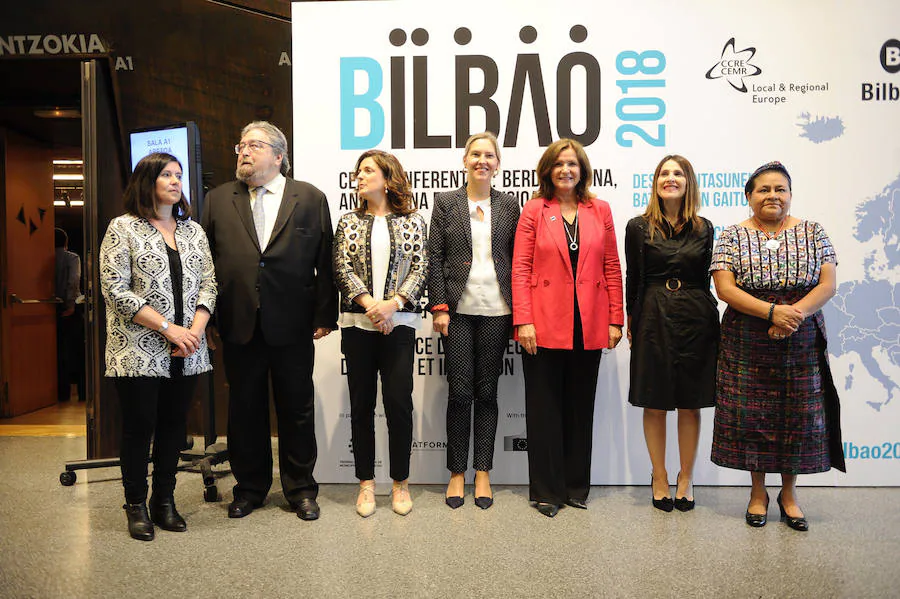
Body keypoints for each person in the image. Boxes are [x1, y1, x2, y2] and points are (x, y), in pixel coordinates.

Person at [201, 121, 337, 522]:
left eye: (255, 146)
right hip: (238, 321)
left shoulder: (309, 198)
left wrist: (324, 314)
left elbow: (324, 262)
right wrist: (205, 318)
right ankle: (250, 489)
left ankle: (300, 490)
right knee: (245, 410)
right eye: (240, 145)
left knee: (297, 408)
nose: (244, 152)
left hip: (294, 323)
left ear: (279, 155)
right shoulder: (218, 199)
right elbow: (205, 265)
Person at [710, 161, 845, 531]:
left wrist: (793, 315)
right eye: (764, 190)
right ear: (749, 197)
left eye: (780, 189)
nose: (773, 196)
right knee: (752, 416)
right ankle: (757, 493)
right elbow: (725, 288)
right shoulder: (731, 236)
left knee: (795, 417)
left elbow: (828, 283)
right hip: (747, 335)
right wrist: (772, 313)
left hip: (800, 335)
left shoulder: (813, 231)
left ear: (789, 194)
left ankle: (788, 493)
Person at [98, 152, 217, 541]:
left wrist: (194, 332)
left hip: (188, 347)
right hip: (137, 348)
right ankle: (135, 505)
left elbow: (208, 284)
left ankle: (164, 502)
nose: (174, 181)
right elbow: (114, 290)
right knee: (139, 427)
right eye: (166, 174)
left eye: (178, 175)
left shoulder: (193, 231)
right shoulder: (123, 228)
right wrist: (170, 329)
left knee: (174, 426)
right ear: (146, 182)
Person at [511, 138, 624, 518]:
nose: (566, 170)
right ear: (548, 170)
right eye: (559, 164)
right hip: (542, 324)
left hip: (588, 322)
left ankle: (576, 486)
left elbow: (611, 267)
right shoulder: (534, 210)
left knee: (579, 409)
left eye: (572, 164)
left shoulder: (600, 210)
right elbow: (521, 269)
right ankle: (546, 490)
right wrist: (523, 319)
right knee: (544, 410)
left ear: (582, 170)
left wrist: (615, 318)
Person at [427, 132, 519, 510]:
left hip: (498, 309)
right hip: (459, 311)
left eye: (489, 155)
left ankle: (483, 470)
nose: (482, 160)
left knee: (487, 392)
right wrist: (439, 307)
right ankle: (456, 472)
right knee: (460, 392)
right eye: (476, 154)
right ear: (465, 160)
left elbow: (518, 258)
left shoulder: (510, 205)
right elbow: (434, 257)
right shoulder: (446, 203)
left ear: (497, 164)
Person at [333, 150, 427, 517]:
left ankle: (401, 484)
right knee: (360, 406)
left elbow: (421, 266)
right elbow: (340, 266)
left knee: (399, 405)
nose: (359, 177)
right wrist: (372, 305)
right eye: (358, 172)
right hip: (358, 327)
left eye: (367, 171)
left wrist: (393, 305)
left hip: (399, 326)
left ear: (387, 179)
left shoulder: (414, 221)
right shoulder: (347, 222)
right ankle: (366, 485)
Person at [624, 155, 718, 512]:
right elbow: (635, 277)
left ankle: (686, 476)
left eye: (678, 173)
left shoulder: (705, 227)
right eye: (664, 173)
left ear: (688, 181)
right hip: (653, 313)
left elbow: (709, 277)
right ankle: (659, 475)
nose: (670, 178)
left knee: (691, 403)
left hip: (697, 315)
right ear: (656, 183)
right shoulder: (638, 226)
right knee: (655, 400)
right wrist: (632, 319)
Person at [54, 227, 84, 402]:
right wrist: (71, 304)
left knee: (56, 352)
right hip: (68, 308)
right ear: (65, 242)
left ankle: (60, 393)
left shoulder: (41, 257)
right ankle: (82, 393)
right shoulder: (71, 257)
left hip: (48, 307)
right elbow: (73, 281)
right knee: (76, 351)